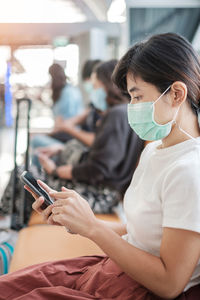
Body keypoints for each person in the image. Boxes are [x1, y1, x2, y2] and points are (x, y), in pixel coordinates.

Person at [1, 32, 200, 300]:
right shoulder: (155, 148)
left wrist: (93, 229)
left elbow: (169, 284)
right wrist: (81, 221)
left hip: (138, 289)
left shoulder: (189, 171)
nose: (132, 107)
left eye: (138, 97)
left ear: (176, 93)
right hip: (117, 271)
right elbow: (141, 234)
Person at [0, 60, 143, 220]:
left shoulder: (116, 115)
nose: (93, 92)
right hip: (102, 191)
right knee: (27, 176)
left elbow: (98, 169)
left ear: (107, 86)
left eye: (96, 87)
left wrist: (55, 171)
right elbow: (104, 154)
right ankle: (14, 224)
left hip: (100, 195)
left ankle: (7, 222)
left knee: (23, 175)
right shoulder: (122, 113)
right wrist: (61, 152)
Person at [31, 63, 83, 149]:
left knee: (36, 141)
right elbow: (58, 112)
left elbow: (63, 124)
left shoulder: (67, 94)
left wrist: (47, 134)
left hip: (69, 137)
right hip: (67, 134)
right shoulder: (68, 91)